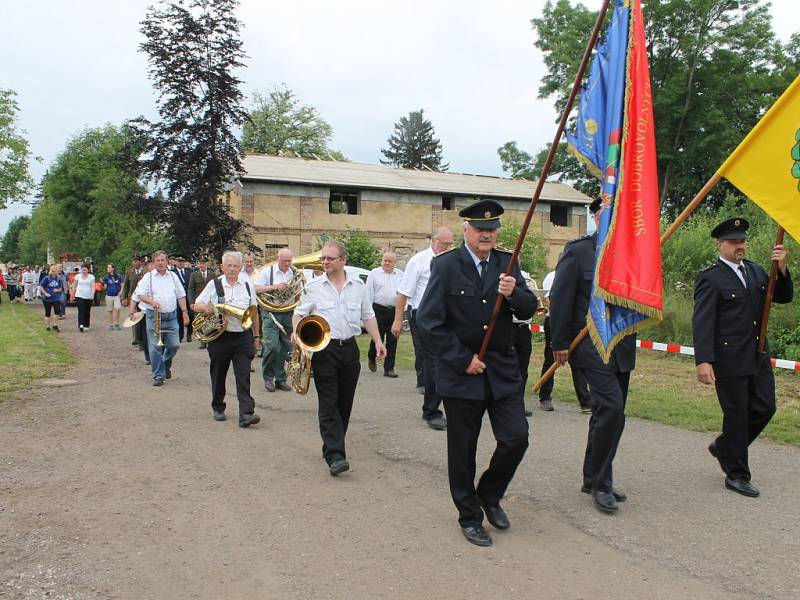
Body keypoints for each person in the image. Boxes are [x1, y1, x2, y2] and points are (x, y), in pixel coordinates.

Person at [416, 199, 535, 547]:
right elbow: (428, 323)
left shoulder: (507, 262)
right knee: (462, 450)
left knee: (516, 437)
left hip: (501, 370)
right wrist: (461, 358)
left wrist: (514, 294)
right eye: (480, 229)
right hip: (461, 373)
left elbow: (528, 309)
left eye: (492, 229)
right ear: (466, 231)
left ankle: (489, 493)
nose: (487, 234)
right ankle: (469, 516)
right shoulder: (446, 266)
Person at [693, 217, 793, 498]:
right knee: (736, 414)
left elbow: (783, 297)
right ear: (720, 244)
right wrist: (703, 360)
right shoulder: (710, 278)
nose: (740, 246)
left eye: (743, 241)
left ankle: (725, 447)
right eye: (734, 242)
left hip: (758, 353)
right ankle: (736, 473)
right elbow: (702, 321)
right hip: (728, 357)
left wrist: (782, 268)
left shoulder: (758, 271)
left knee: (765, 407)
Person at [549, 198, 636, 515]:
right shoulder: (579, 251)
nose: (611, 217)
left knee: (609, 413)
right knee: (611, 409)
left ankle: (591, 475)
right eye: (606, 212)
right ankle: (601, 484)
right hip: (587, 343)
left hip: (621, 343)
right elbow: (560, 297)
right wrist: (559, 341)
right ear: (597, 216)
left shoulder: (631, 253)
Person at [292, 240, 387, 477]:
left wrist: (378, 340)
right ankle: (335, 455)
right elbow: (299, 314)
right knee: (328, 402)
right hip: (324, 350)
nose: (324, 262)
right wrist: (296, 333)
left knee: (344, 402)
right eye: (323, 258)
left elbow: (368, 315)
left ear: (343, 260)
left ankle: (333, 445)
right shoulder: (313, 287)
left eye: (329, 258)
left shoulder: (358, 286)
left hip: (350, 349)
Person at [391, 226, 455, 430]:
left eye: (451, 244)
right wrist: (398, 320)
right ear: (435, 241)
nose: (449, 247)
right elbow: (403, 293)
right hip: (423, 316)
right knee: (434, 363)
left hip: (446, 316)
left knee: (449, 361)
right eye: (446, 244)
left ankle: (453, 406)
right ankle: (431, 411)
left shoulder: (451, 260)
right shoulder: (419, 261)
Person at [194, 251, 262, 428]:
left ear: (240, 268)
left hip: (242, 336)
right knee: (218, 373)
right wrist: (207, 309)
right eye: (228, 266)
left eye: (235, 266)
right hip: (220, 337)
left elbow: (254, 313)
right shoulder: (214, 284)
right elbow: (196, 304)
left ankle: (246, 413)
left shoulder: (247, 285)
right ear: (222, 267)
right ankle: (218, 406)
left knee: (243, 375)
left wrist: (256, 337)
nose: (232, 269)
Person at [132, 250, 190, 386]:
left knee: (174, 345)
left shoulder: (173, 276)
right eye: (157, 260)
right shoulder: (149, 277)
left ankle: (165, 364)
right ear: (154, 263)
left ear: (167, 262)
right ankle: (158, 375)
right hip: (154, 316)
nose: (160, 263)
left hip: (171, 316)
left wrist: (185, 312)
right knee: (155, 347)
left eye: (162, 260)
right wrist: (151, 302)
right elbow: (140, 294)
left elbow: (181, 295)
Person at [538, 268, 592, 413]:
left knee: (578, 362)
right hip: (555, 321)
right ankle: (545, 397)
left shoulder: (580, 276)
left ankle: (585, 401)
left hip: (575, 323)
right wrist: (562, 317)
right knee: (551, 358)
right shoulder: (553, 276)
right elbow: (550, 301)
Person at [255, 248, 295, 392]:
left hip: (288, 312)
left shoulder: (294, 272)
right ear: (278, 258)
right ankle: (268, 378)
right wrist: (275, 287)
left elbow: (300, 291)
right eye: (284, 260)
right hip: (271, 312)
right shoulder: (267, 271)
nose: (287, 263)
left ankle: (281, 379)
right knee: (272, 346)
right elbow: (256, 288)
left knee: (286, 348)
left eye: (289, 260)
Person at [365, 251, 403, 378]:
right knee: (377, 337)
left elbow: (403, 293)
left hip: (394, 311)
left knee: (393, 339)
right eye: (384, 260)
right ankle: (372, 356)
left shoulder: (400, 275)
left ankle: (389, 368)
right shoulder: (374, 273)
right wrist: (368, 312)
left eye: (389, 261)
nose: (386, 263)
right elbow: (368, 292)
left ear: (394, 263)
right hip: (378, 309)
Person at [512, 270, 537, 417]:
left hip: (524, 328)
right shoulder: (504, 276)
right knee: (508, 367)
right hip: (509, 326)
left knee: (523, 367)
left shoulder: (526, 278)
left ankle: (519, 403)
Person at [187, 256, 217, 348]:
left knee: (211, 320)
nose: (202, 265)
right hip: (199, 302)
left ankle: (210, 337)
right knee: (200, 321)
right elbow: (191, 289)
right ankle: (203, 341)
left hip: (210, 302)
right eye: (200, 263)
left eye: (204, 263)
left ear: (207, 264)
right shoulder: (194, 275)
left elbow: (216, 287)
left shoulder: (212, 274)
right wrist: (191, 302)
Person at [122, 255, 147, 351]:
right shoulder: (129, 272)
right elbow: (126, 286)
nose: (134, 263)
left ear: (140, 262)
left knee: (142, 319)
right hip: (132, 298)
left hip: (143, 299)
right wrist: (124, 297)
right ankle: (136, 339)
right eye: (133, 261)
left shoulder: (145, 272)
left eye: (136, 261)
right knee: (134, 318)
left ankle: (142, 340)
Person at [171, 255, 192, 342]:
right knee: (179, 317)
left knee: (190, 316)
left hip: (188, 297)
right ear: (176, 262)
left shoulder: (189, 272)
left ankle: (189, 333)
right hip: (178, 298)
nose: (180, 263)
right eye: (178, 261)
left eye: (182, 261)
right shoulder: (172, 272)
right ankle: (180, 335)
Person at [39, 265, 65, 331]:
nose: (54, 272)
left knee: (57, 311)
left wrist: (58, 290)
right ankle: (47, 326)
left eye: (55, 271)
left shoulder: (59, 278)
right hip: (48, 298)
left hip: (56, 297)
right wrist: (45, 293)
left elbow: (61, 288)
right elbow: (41, 287)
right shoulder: (46, 278)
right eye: (52, 271)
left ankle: (55, 325)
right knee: (48, 312)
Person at [71, 264, 95, 332]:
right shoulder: (78, 276)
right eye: (83, 270)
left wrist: (92, 294)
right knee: (81, 310)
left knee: (87, 311)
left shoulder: (91, 277)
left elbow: (93, 286)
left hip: (88, 296)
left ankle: (86, 325)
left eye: (85, 270)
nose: (84, 271)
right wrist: (72, 294)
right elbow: (74, 285)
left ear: (88, 270)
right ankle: (81, 324)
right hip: (79, 295)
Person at [103, 264, 124, 330]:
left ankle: (117, 324)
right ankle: (111, 325)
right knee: (110, 310)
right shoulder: (106, 277)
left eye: (109, 267)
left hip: (116, 295)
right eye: (107, 267)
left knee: (117, 308)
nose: (108, 268)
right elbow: (105, 287)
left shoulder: (119, 276)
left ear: (113, 268)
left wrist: (121, 292)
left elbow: (122, 284)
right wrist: (103, 284)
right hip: (109, 295)